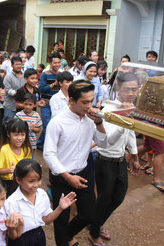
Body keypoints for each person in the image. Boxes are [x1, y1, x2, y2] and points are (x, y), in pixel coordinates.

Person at [43, 80, 107, 246]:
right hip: (62, 176)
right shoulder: (57, 122)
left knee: (89, 214)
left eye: (91, 101)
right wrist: (67, 176)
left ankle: (68, 235)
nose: (89, 106)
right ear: (71, 100)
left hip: (84, 173)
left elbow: (103, 144)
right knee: (61, 218)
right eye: (84, 102)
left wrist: (99, 122)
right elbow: (49, 154)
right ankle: (64, 240)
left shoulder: (91, 120)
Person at [93, 72, 141, 242]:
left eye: (134, 89)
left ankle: (97, 222)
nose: (130, 93)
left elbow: (131, 134)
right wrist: (123, 121)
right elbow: (106, 141)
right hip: (105, 160)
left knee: (118, 196)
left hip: (120, 160)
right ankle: (94, 231)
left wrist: (135, 158)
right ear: (118, 88)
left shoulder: (130, 108)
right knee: (104, 198)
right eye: (127, 89)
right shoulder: (109, 110)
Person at [5, 159, 77, 246]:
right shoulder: (12, 202)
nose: (36, 185)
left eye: (38, 180)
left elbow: (46, 220)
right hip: (21, 241)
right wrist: (11, 229)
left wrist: (60, 208)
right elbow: (13, 236)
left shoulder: (42, 194)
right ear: (18, 180)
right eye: (31, 181)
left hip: (39, 237)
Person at [0, 118, 32, 196]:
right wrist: (9, 170)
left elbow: (28, 166)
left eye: (22, 134)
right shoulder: (4, 149)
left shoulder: (26, 149)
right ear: (8, 134)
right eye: (16, 135)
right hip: (7, 184)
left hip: (22, 183)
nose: (20, 138)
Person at [37, 52, 62, 150]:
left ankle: (40, 143)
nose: (57, 65)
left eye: (59, 62)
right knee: (47, 126)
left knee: (54, 127)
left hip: (57, 105)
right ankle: (47, 147)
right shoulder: (45, 74)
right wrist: (53, 84)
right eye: (55, 63)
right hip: (45, 104)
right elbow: (41, 89)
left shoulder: (61, 74)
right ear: (50, 63)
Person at [3, 56, 25, 124]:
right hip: (11, 106)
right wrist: (18, 93)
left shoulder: (25, 75)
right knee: (8, 125)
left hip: (22, 106)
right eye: (16, 64)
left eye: (20, 64)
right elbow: (7, 90)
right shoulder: (8, 76)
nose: (18, 66)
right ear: (12, 65)